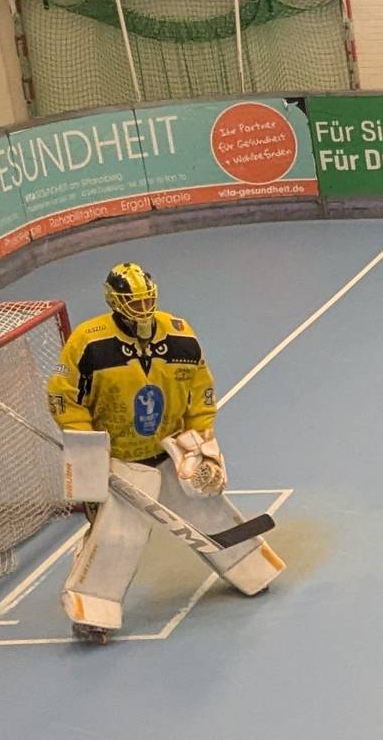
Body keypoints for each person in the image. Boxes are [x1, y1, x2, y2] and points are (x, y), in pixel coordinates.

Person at [45, 262, 275, 641]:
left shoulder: (181, 336)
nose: (142, 309)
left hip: (170, 450)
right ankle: (92, 612)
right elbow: (63, 397)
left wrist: (201, 442)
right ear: (115, 302)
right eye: (134, 303)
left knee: (211, 511)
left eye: (146, 300)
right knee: (117, 536)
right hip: (120, 458)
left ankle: (252, 568)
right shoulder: (88, 343)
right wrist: (89, 449)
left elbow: (201, 391)